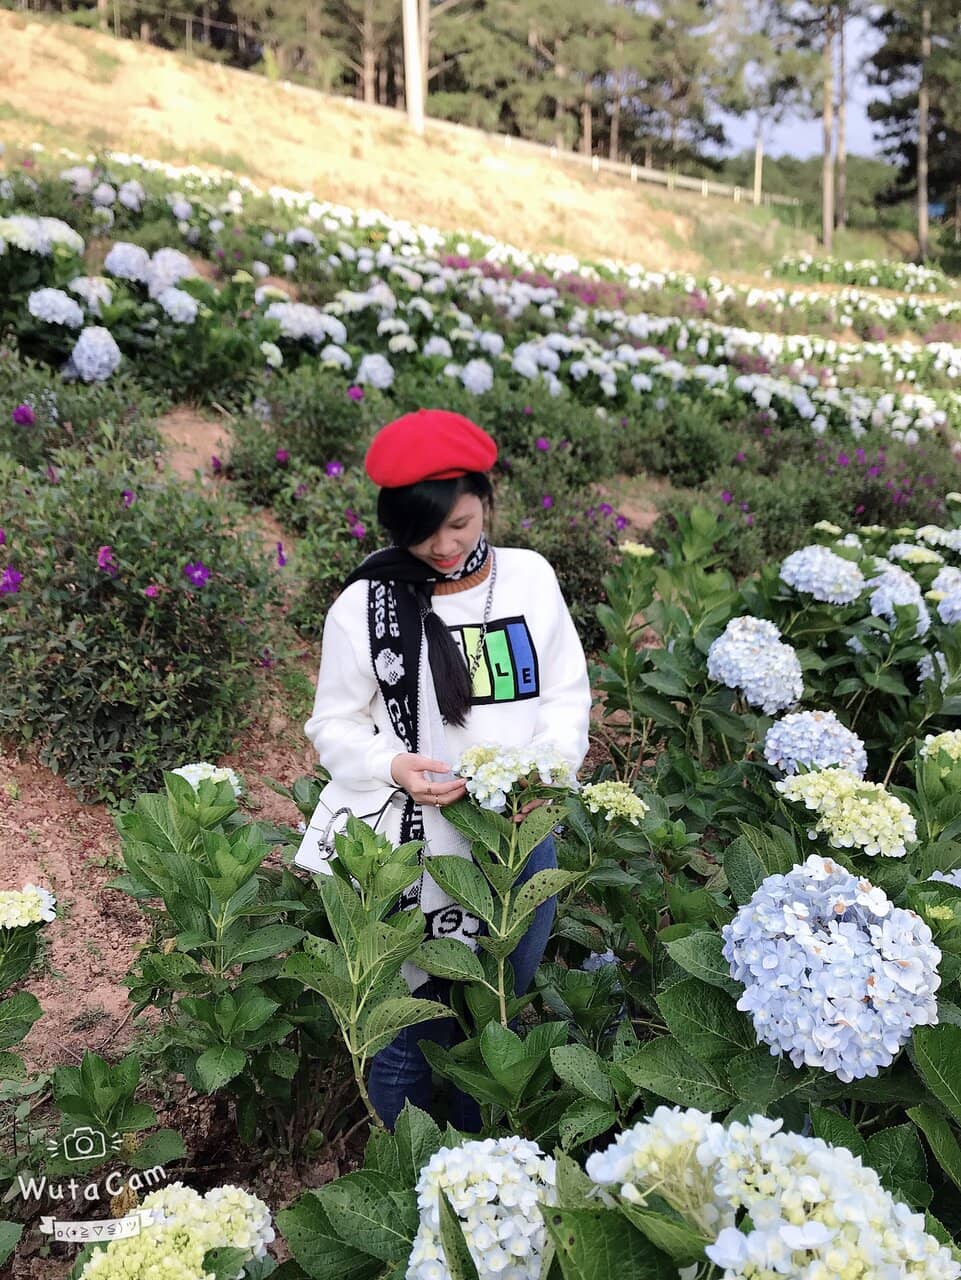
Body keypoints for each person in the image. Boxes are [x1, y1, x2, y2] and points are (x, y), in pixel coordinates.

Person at [304, 408, 591, 1129]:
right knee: (413, 1026)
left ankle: (475, 1164)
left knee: (493, 1012)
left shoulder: (528, 580)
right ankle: (411, 1172)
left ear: (486, 503)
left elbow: (562, 694)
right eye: (421, 530)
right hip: (414, 848)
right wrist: (392, 763)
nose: (440, 545)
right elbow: (332, 724)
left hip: (517, 842)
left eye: (459, 524)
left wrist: (542, 779)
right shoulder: (364, 606)